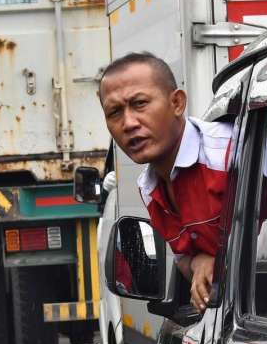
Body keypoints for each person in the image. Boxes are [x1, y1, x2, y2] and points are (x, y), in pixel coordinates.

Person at [99, 52, 235, 313]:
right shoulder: (149, 187)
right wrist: (199, 262)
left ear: (177, 103)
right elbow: (184, 258)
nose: (128, 123)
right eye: (114, 112)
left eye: (139, 104)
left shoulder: (229, 153)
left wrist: (213, 259)